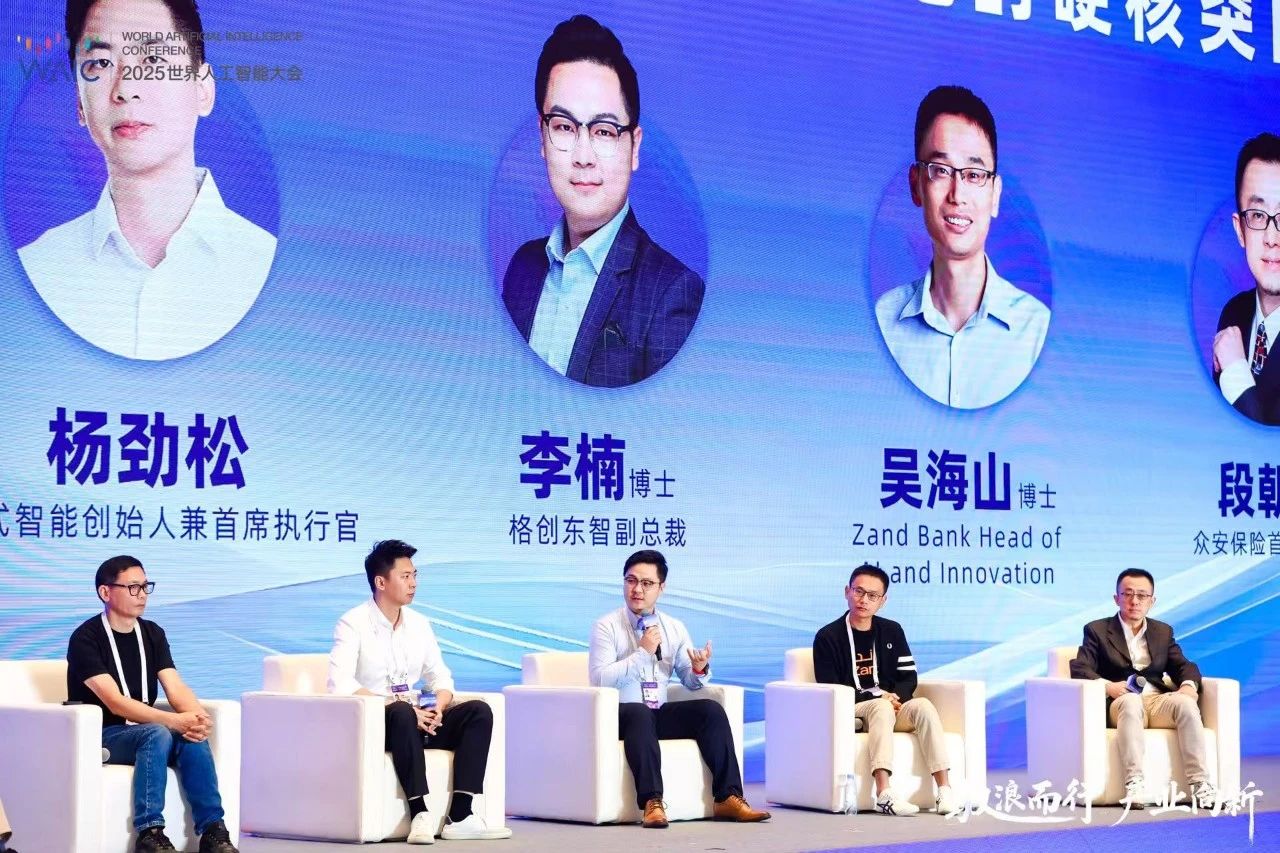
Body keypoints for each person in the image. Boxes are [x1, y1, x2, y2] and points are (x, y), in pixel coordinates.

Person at [18, 0, 276, 361]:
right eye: (101, 63)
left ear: (203, 90)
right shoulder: (39, 268)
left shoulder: (266, 268)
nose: (125, 88)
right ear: (79, 102)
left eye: (153, 60)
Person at [502, 15, 704, 388]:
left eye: (605, 131)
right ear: (543, 137)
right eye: (564, 127)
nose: (583, 156)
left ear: (634, 147)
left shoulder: (671, 293)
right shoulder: (522, 269)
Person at [875, 85, 1050, 409]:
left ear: (995, 194)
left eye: (974, 175)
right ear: (916, 185)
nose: (957, 195)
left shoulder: (1037, 331)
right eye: (941, 171)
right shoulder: (883, 322)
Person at [328, 539, 511, 844]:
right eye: (405, 576)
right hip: (379, 724)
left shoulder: (419, 624)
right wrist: (401, 708)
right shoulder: (352, 623)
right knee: (400, 711)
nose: (413, 583)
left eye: (415, 575)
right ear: (381, 582)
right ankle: (419, 813)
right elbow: (340, 683)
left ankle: (461, 815)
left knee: (478, 711)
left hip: (418, 719)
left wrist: (437, 706)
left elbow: (441, 677)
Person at [65, 556, 236, 853]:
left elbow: (175, 687)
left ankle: (213, 831)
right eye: (133, 587)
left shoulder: (152, 633)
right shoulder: (86, 638)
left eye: (146, 586)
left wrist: (196, 717)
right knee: (158, 732)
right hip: (104, 734)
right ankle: (150, 832)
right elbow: (115, 702)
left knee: (191, 735)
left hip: (144, 730)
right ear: (105, 592)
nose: (142, 594)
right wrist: (172, 721)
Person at [588, 549, 769, 828]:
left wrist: (698, 669)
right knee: (639, 713)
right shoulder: (606, 626)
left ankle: (728, 797)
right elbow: (600, 681)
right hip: (618, 716)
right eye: (631, 581)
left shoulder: (673, 627)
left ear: (661, 587)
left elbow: (689, 680)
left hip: (656, 713)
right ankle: (652, 802)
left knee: (710, 710)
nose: (637, 589)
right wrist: (642, 654)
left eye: (646, 583)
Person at [812, 564, 957, 816]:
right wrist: (879, 697)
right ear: (847, 591)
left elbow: (908, 676)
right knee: (880, 706)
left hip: (892, 706)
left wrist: (895, 699)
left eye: (872, 595)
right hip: (854, 708)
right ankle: (884, 793)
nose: (864, 600)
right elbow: (831, 686)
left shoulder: (892, 630)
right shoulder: (828, 637)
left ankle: (945, 790)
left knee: (923, 705)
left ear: (883, 601)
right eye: (858, 591)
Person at [1069, 568, 1217, 808]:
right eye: (1127, 594)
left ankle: (1201, 785)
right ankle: (1134, 783)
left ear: (1152, 601)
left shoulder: (1162, 631)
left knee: (1186, 704)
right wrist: (1109, 687)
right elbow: (1080, 668)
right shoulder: (1096, 630)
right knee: (1130, 702)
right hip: (1121, 702)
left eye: (1142, 595)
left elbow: (1184, 666)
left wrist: (1189, 686)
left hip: (1156, 702)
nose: (1134, 601)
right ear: (1116, 598)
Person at [1213, 132, 1280, 424]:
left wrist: (1235, 371)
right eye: (1257, 215)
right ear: (1240, 230)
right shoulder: (1234, 313)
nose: (1272, 238)